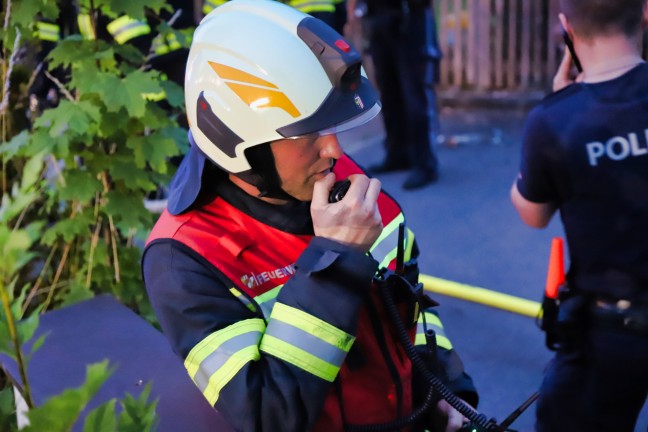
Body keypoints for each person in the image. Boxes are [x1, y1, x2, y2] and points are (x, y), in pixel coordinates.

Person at [142, 1, 479, 431]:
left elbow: (413, 306)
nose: (335, 150)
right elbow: (269, 414)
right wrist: (335, 261)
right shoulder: (186, 259)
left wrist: (446, 389)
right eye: (308, 132)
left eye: (333, 126)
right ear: (236, 141)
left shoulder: (338, 178)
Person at [510, 1, 648, 431]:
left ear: (566, 27)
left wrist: (556, 117)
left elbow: (533, 214)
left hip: (613, 333)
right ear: (644, 13)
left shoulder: (554, 121)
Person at [347, 0, 442, 190]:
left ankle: (425, 163)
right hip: (379, 19)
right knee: (389, 94)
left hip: (409, 18)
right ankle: (397, 154)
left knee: (415, 95)